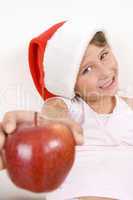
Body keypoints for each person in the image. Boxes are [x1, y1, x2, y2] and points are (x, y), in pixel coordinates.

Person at [0, 19, 133, 200]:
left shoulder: (129, 107)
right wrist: (49, 125)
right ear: (71, 85)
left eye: (104, 55)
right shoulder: (70, 108)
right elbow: (53, 111)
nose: (104, 72)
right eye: (86, 69)